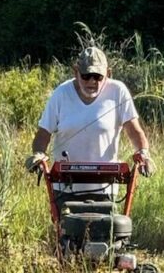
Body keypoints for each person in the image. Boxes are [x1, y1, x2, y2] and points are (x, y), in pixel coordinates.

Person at [25, 45, 155, 186]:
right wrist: (38, 154)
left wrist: (143, 153)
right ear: (76, 72)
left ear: (108, 74)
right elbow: (43, 133)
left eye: (98, 77)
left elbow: (134, 131)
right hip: (65, 186)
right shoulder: (61, 94)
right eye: (86, 76)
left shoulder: (118, 92)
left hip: (105, 185)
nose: (92, 81)